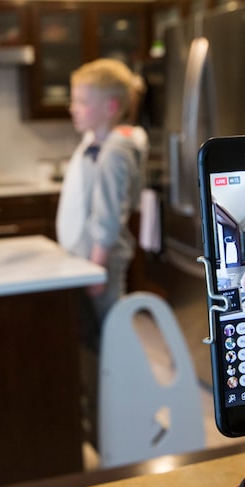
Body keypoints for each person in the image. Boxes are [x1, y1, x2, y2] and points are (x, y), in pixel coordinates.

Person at [56, 58, 148, 333]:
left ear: (111, 108)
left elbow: (108, 215)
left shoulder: (114, 152)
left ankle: (121, 376)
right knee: (94, 334)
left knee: (111, 332)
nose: (73, 108)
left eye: (82, 102)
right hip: (85, 259)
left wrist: (97, 268)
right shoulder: (96, 141)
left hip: (101, 261)